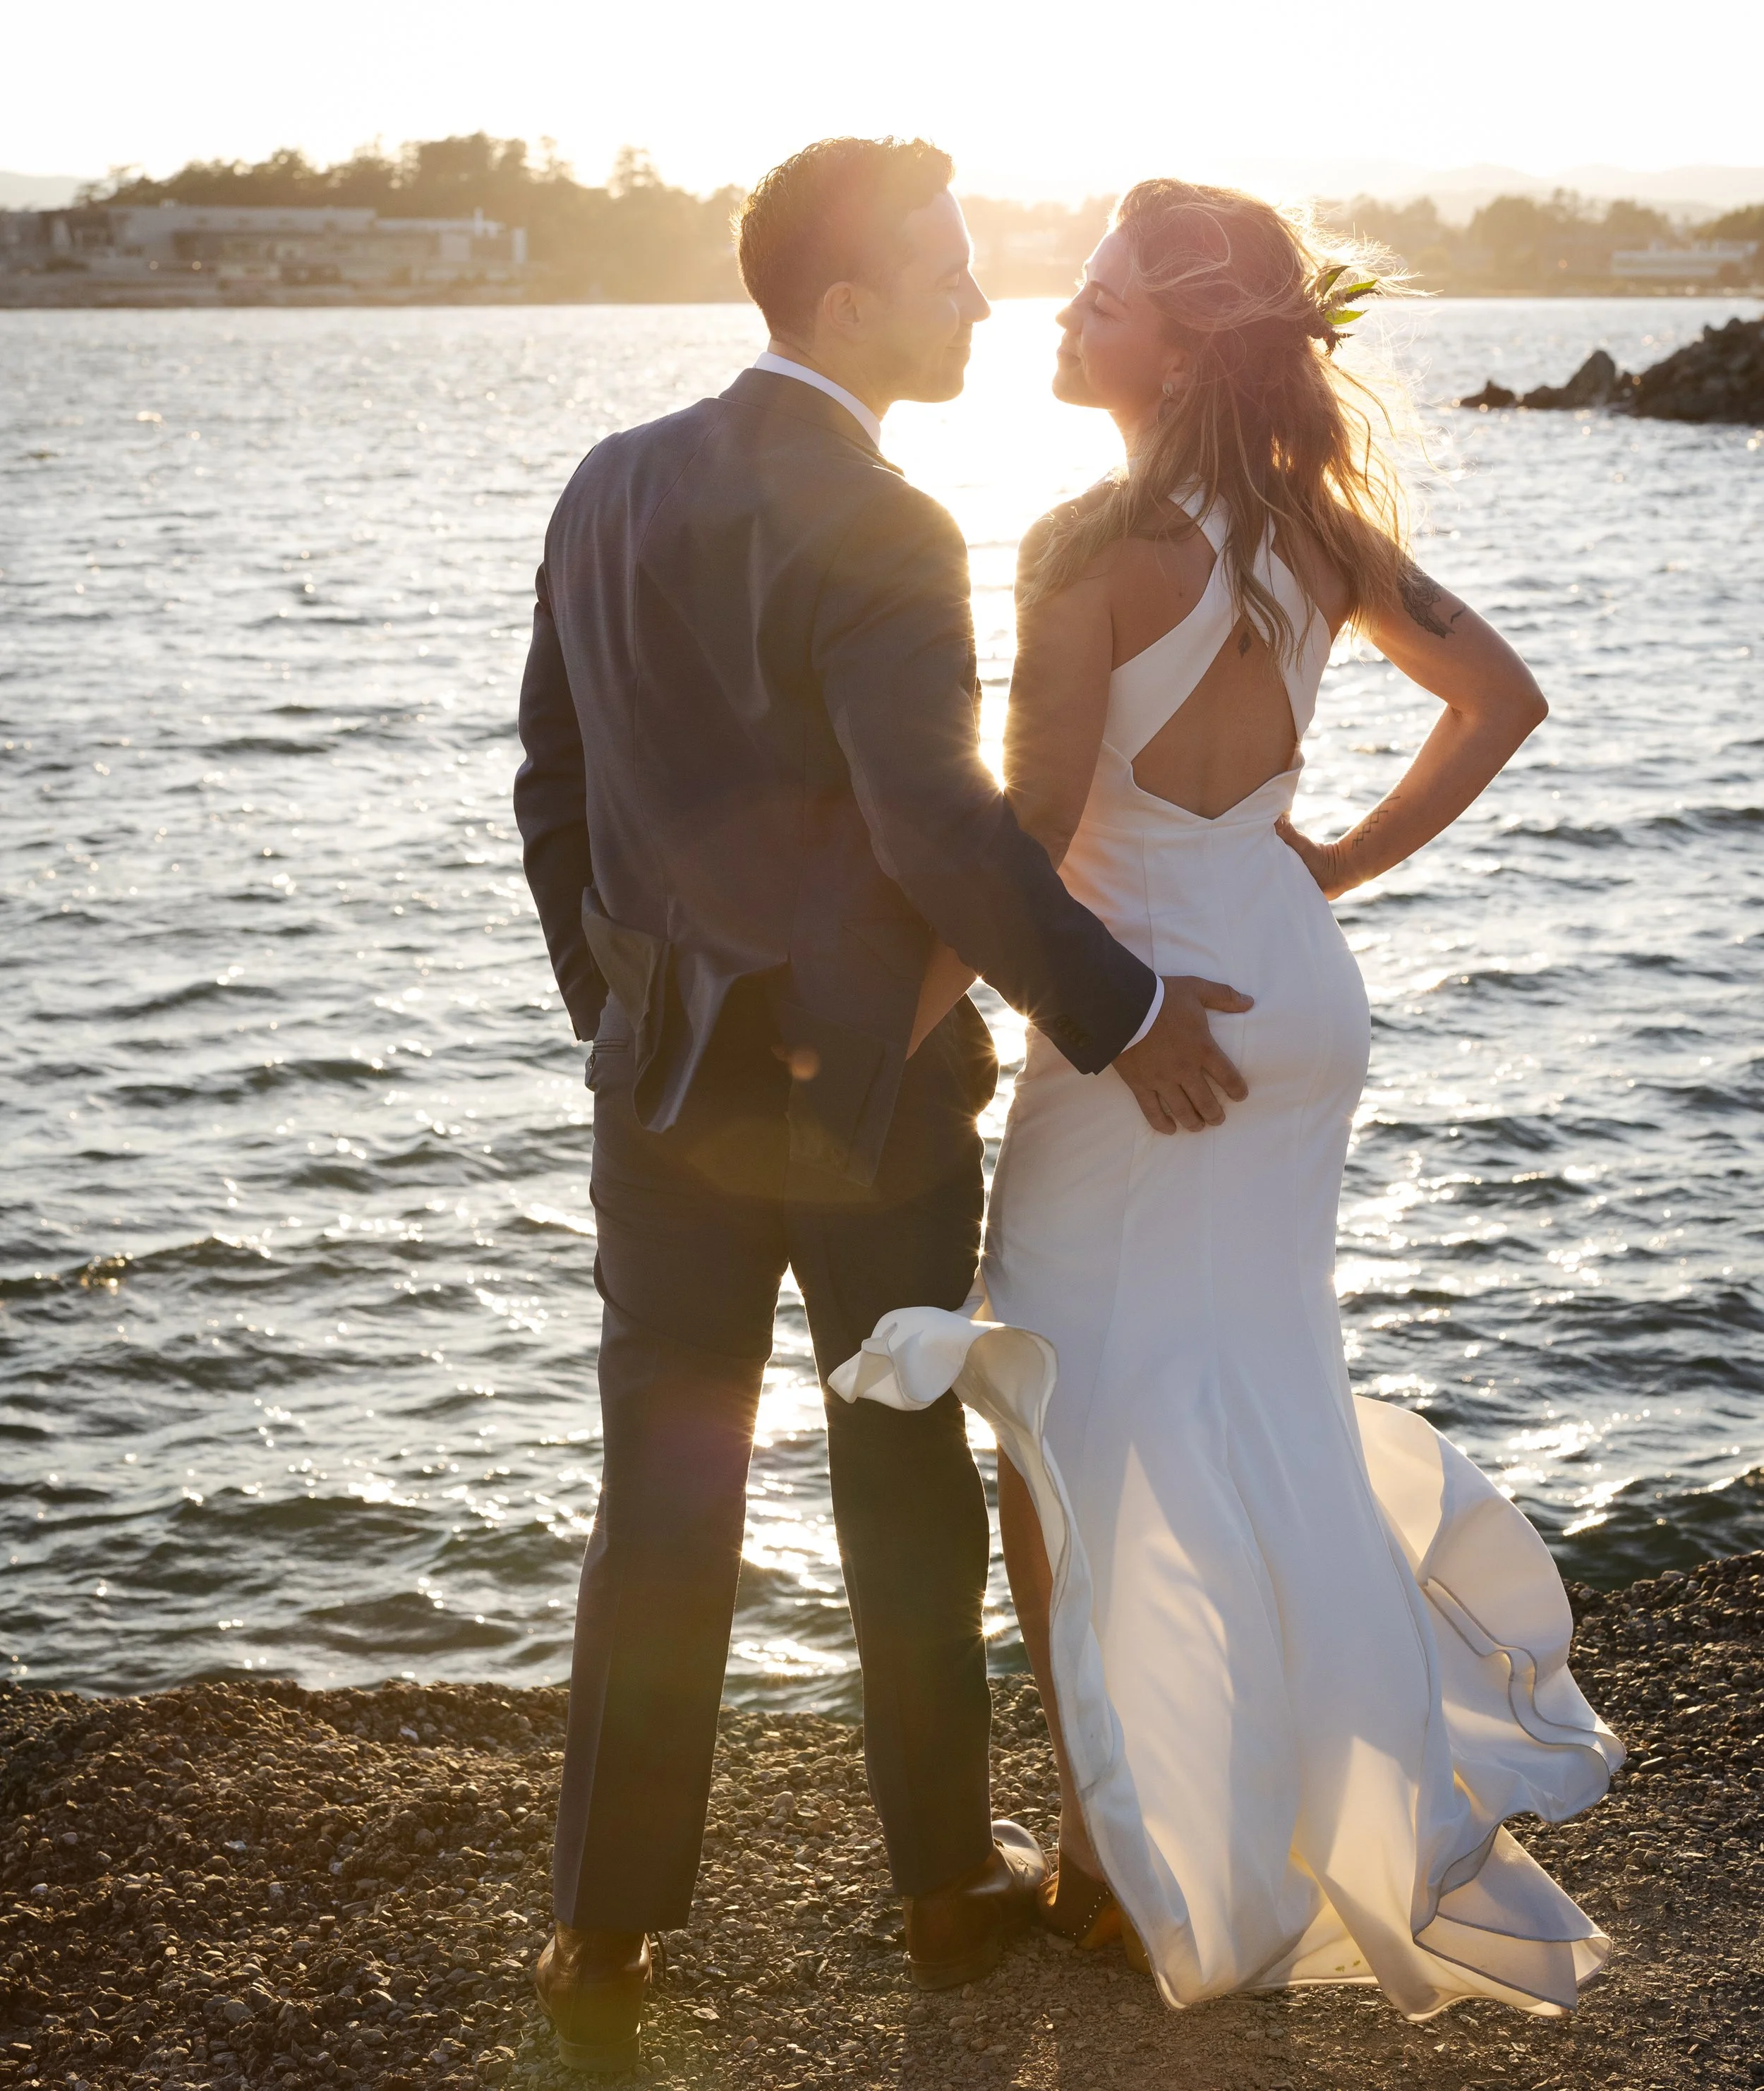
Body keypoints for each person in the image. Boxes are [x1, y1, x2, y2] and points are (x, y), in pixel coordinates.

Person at [832, 179, 1623, 2020]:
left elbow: (1027, 834)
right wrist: (1324, 865)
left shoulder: (1082, 541)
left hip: (1136, 1025)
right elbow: (1496, 701)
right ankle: (1257, 1810)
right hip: (1284, 989)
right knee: (1241, 1394)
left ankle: (1119, 1859)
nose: (1056, 317)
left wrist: (888, 1018)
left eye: (1093, 299)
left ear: (1176, 346)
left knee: (1057, 1408)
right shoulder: (1310, 530)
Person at [512, 138, 1254, 2072]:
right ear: (838, 305)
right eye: (942, 272)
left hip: (659, 1092)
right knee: (901, 1479)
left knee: (658, 1497)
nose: (981, 303)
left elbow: (552, 797)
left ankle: (603, 1938)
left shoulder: (606, 485)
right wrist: (1123, 1008)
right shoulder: (890, 522)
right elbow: (937, 829)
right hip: (873, 1103)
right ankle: (944, 1893)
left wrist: (627, 1010)